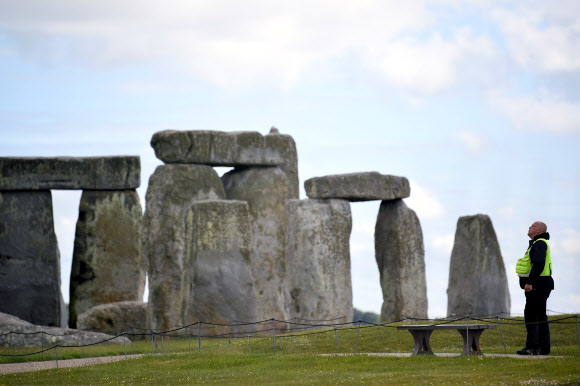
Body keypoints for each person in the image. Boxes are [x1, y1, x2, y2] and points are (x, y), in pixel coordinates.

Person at [515, 221, 554, 355]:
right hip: (542, 284)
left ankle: (532, 347)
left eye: (532, 226)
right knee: (540, 316)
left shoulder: (539, 243)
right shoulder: (538, 244)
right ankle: (544, 349)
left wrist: (530, 283)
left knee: (532, 316)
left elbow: (538, 264)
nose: (529, 227)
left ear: (538, 231)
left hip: (538, 285)